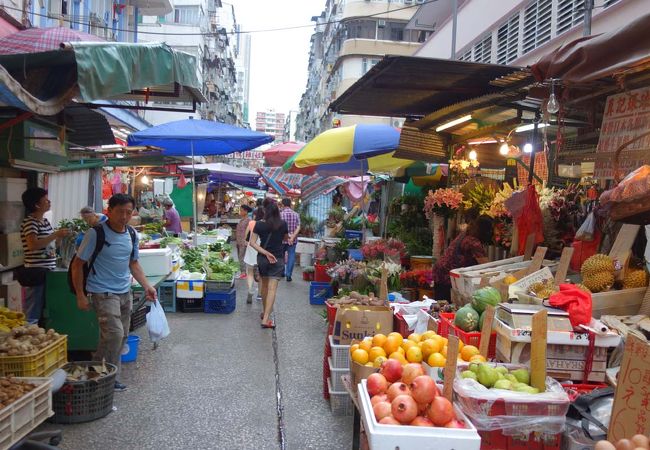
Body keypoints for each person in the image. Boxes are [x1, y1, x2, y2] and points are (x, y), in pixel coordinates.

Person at [72, 194, 157, 391]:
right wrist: (80, 295)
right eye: (120, 212)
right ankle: (101, 374)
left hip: (124, 291)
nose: (124, 216)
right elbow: (77, 265)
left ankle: (105, 374)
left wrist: (147, 286)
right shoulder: (95, 233)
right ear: (109, 211)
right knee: (115, 335)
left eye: (129, 212)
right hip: (102, 292)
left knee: (122, 335)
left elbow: (133, 263)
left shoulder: (132, 234)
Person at [19, 188, 70, 324]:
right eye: (45, 200)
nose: (49, 202)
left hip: (47, 270)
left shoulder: (45, 222)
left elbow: (51, 244)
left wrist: (60, 238)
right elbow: (33, 245)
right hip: (35, 271)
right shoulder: (31, 222)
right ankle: (29, 335)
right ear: (37, 205)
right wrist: (55, 235)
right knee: (33, 309)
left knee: (44, 308)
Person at [432, 215, 493, 301]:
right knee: (445, 304)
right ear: (486, 231)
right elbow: (487, 266)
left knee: (441, 302)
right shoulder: (473, 243)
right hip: (447, 275)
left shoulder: (466, 233)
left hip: (441, 271)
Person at [249, 201, 288, 329]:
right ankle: (266, 318)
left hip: (263, 259)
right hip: (277, 259)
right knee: (272, 289)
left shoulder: (259, 224)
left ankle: (265, 312)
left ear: (265, 212)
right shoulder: (282, 224)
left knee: (264, 287)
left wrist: (266, 253)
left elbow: (252, 243)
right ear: (277, 212)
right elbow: (286, 239)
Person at [242, 207, 264, 303]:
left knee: (250, 272)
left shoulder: (251, 223)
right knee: (262, 274)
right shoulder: (267, 225)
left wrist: (247, 244)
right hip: (262, 250)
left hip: (251, 249)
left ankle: (250, 289)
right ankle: (259, 294)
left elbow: (245, 238)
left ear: (255, 215)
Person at [280, 198, 301, 282]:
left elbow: (279, 227)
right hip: (293, 239)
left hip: (282, 239)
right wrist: (292, 237)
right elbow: (298, 227)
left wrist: (286, 236)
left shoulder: (280, 214)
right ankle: (289, 275)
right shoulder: (296, 214)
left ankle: (282, 272)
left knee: (281, 256)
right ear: (290, 204)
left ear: (282, 205)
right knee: (291, 255)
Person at [235, 205, 253, 279]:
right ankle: (243, 272)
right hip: (239, 241)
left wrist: (247, 241)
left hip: (244, 242)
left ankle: (243, 273)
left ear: (246, 211)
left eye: (241, 210)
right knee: (240, 257)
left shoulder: (249, 220)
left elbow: (251, 232)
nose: (240, 212)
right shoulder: (242, 220)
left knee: (242, 257)